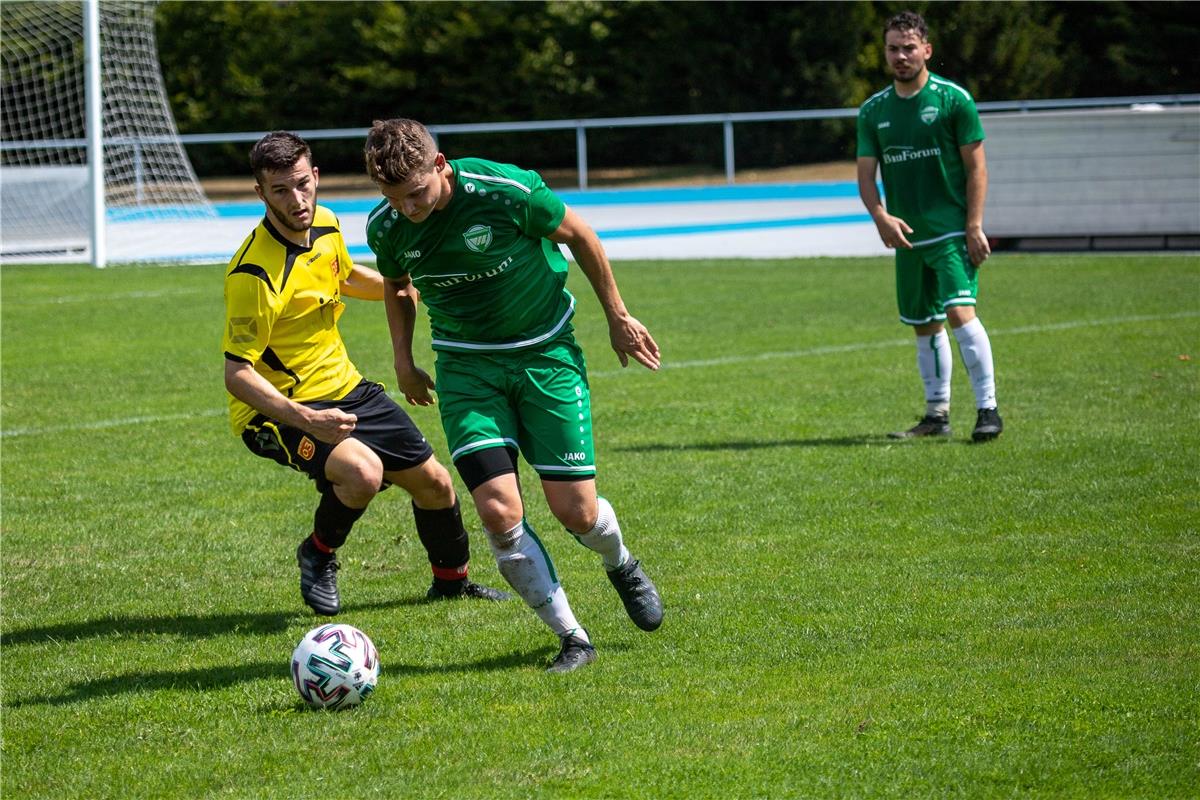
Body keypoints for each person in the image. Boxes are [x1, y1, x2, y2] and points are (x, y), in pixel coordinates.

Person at [362, 118, 664, 673]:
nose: (407, 208)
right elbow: (397, 284)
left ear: (441, 164)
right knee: (499, 513)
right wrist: (403, 359)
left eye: (416, 193)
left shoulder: (506, 189)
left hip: (546, 356)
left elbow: (581, 236)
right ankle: (574, 638)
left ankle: (620, 562)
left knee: (577, 513)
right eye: (394, 198)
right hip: (466, 370)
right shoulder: (386, 227)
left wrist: (618, 317)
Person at [222, 131, 508, 617]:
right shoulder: (254, 275)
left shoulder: (328, 225)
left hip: (347, 389)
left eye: (301, 185)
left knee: (435, 484)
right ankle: (318, 553)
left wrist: (409, 284)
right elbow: (237, 374)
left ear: (315, 177)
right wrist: (306, 420)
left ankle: (451, 584)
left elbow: (346, 276)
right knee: (363, 472)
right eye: (280, 191)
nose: (297, 200)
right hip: (276, 411)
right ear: (260, 194)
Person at [856, 10, 1003, 442]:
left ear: (927, 50)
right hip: (908, 237)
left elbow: (977, 169)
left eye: (908, 47)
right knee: (924, 324)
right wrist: (880, 216)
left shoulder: (953, 100)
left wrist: (974, 225)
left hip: (952, 232)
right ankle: (936, 416)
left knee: (960, 313)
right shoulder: (873, 111)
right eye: (892, 49)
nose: (900, 56)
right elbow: (866, 174)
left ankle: (988, 410)